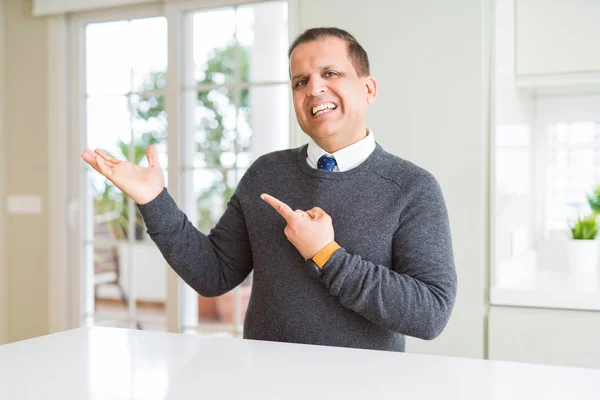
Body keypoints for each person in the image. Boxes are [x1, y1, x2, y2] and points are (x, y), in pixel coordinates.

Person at [81, 27, 457, 352]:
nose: (314, 89)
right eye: (300, 81)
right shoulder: (267, 172)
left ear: (368, 88)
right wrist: (154, 201)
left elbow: (431, 314)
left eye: (330, 73)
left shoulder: (412, 188)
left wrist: (327, 254)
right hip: (263, 380)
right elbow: (213, 275)